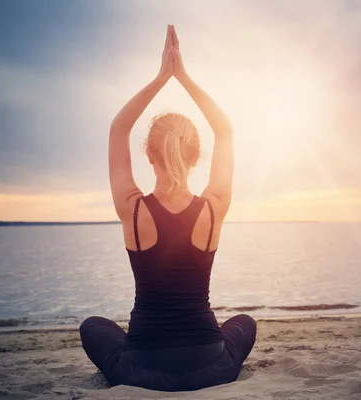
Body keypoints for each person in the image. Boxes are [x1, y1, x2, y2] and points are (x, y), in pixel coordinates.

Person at [79, 25, 257, 391]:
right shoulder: (214, 207)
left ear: (148, 153)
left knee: (93, 326)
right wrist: (184, 78)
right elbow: (224, 131)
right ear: (196, 157)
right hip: (210, 362)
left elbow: (118, 130)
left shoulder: (132, 208)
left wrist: (163, 77)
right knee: (244, 323)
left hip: (141, 364)